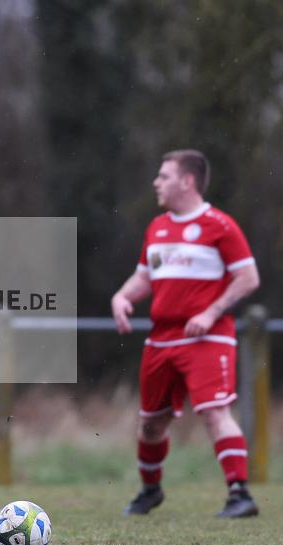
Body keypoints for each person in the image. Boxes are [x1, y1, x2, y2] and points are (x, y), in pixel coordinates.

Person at [111, 149, 261, 519]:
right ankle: (150, 491)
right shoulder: (157, 228)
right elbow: (146, 277)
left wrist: (210, 312)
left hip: (207, 338)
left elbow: (248, 278)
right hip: (162, 339)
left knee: (215, 411)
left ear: (187, 181)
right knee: (151, 423)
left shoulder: (220, 226)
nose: (156, 183)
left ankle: (240, 494)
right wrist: (122, 297)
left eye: (164, 176)